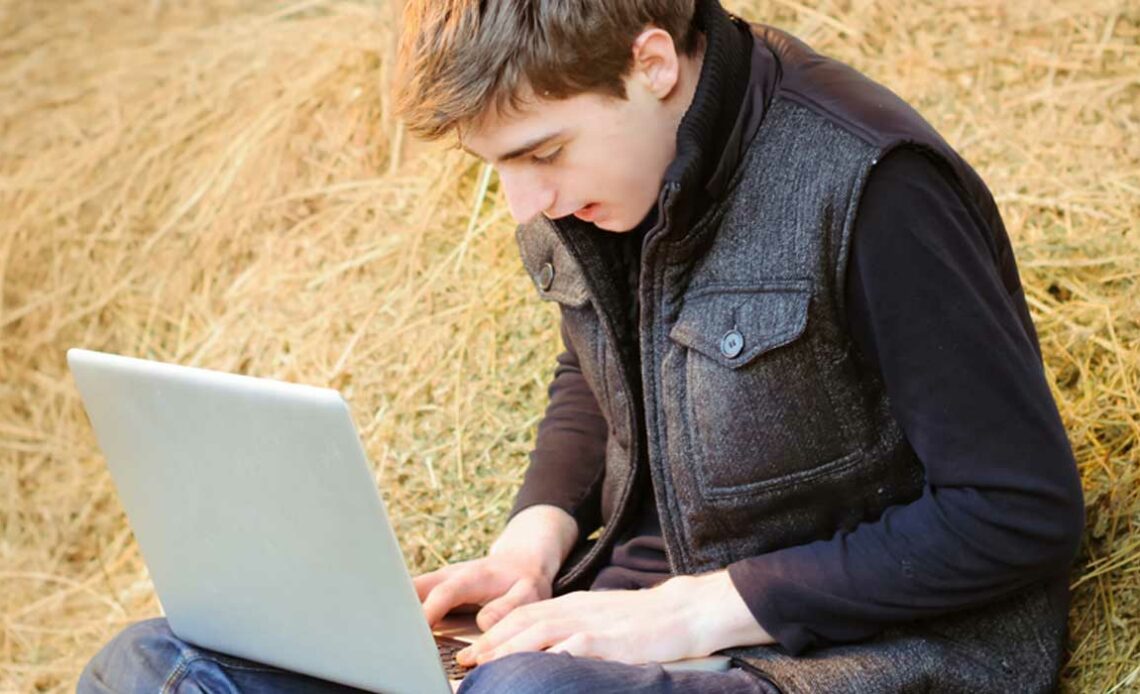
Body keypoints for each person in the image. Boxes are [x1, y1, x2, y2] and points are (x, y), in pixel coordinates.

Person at [79, 1, 1086, 692]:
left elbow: (1021, 511)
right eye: (498, 169)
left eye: (539, 155)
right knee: (160, 661)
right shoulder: (603, 167)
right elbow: (596, 368)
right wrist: (537, 538)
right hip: (617, 633)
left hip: (849, 656)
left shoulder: (873, 187)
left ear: (651, 62)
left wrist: (697, 614)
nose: (526, 204)